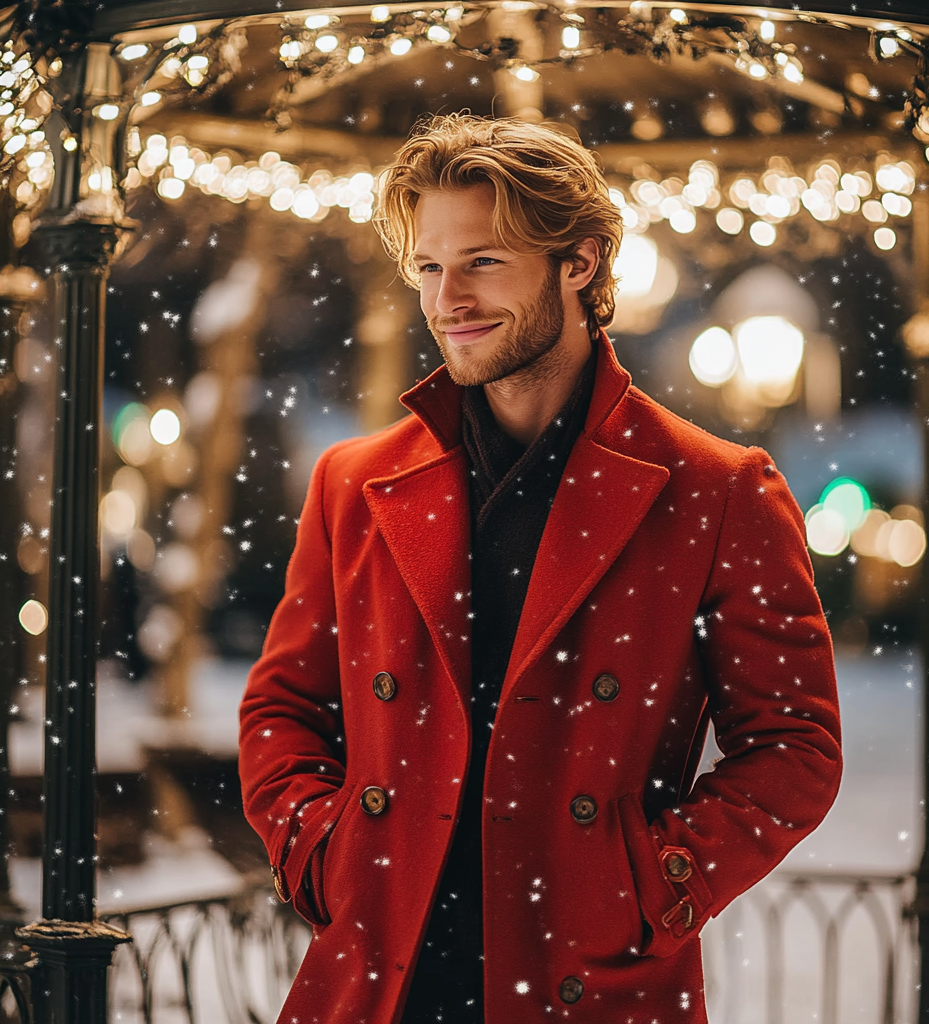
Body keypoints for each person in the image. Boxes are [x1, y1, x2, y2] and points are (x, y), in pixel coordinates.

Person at [238, 113, 842, 1024]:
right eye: (429, 268)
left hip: (590, 981)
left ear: (582, 263)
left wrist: (649, 881)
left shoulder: (717, 490)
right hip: (379, 979)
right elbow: (281, 710)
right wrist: (327, 853)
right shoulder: (353, 483)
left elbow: (795, 746)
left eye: (483, 261)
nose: (449, 299)